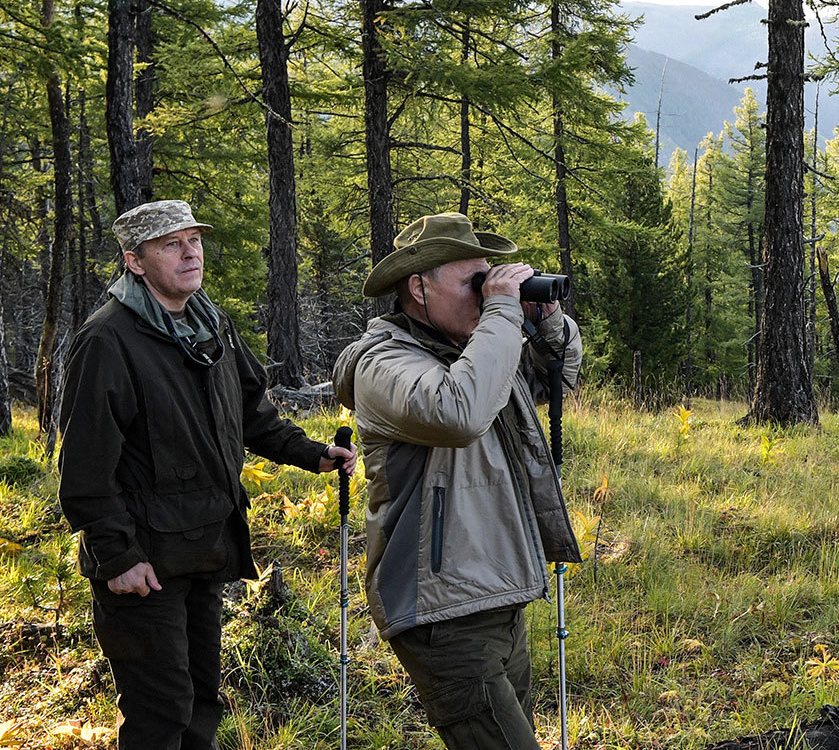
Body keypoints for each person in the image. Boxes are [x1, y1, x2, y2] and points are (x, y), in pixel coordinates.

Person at [57, 200, 357, 750]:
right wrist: (118, 556)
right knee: (160, 711)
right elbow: (83, 468)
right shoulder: (107, 340)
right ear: (135, 262)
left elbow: (251, 411)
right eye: (171, 244)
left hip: (206, 545)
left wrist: (310, 453)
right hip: (145, 564)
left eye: (193, 239)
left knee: (201, 702)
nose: (190, 251)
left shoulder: (209, 323)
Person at [333, 211, 581, 750]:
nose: (487, 291)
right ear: (418, 288)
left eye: (489, 278)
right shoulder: (384, 364)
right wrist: (499, 314)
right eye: (473, 281)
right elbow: (458, 413)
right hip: (442, 608)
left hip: (497, 593)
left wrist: (546, 321)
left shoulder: (472, 350)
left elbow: (551, 381)